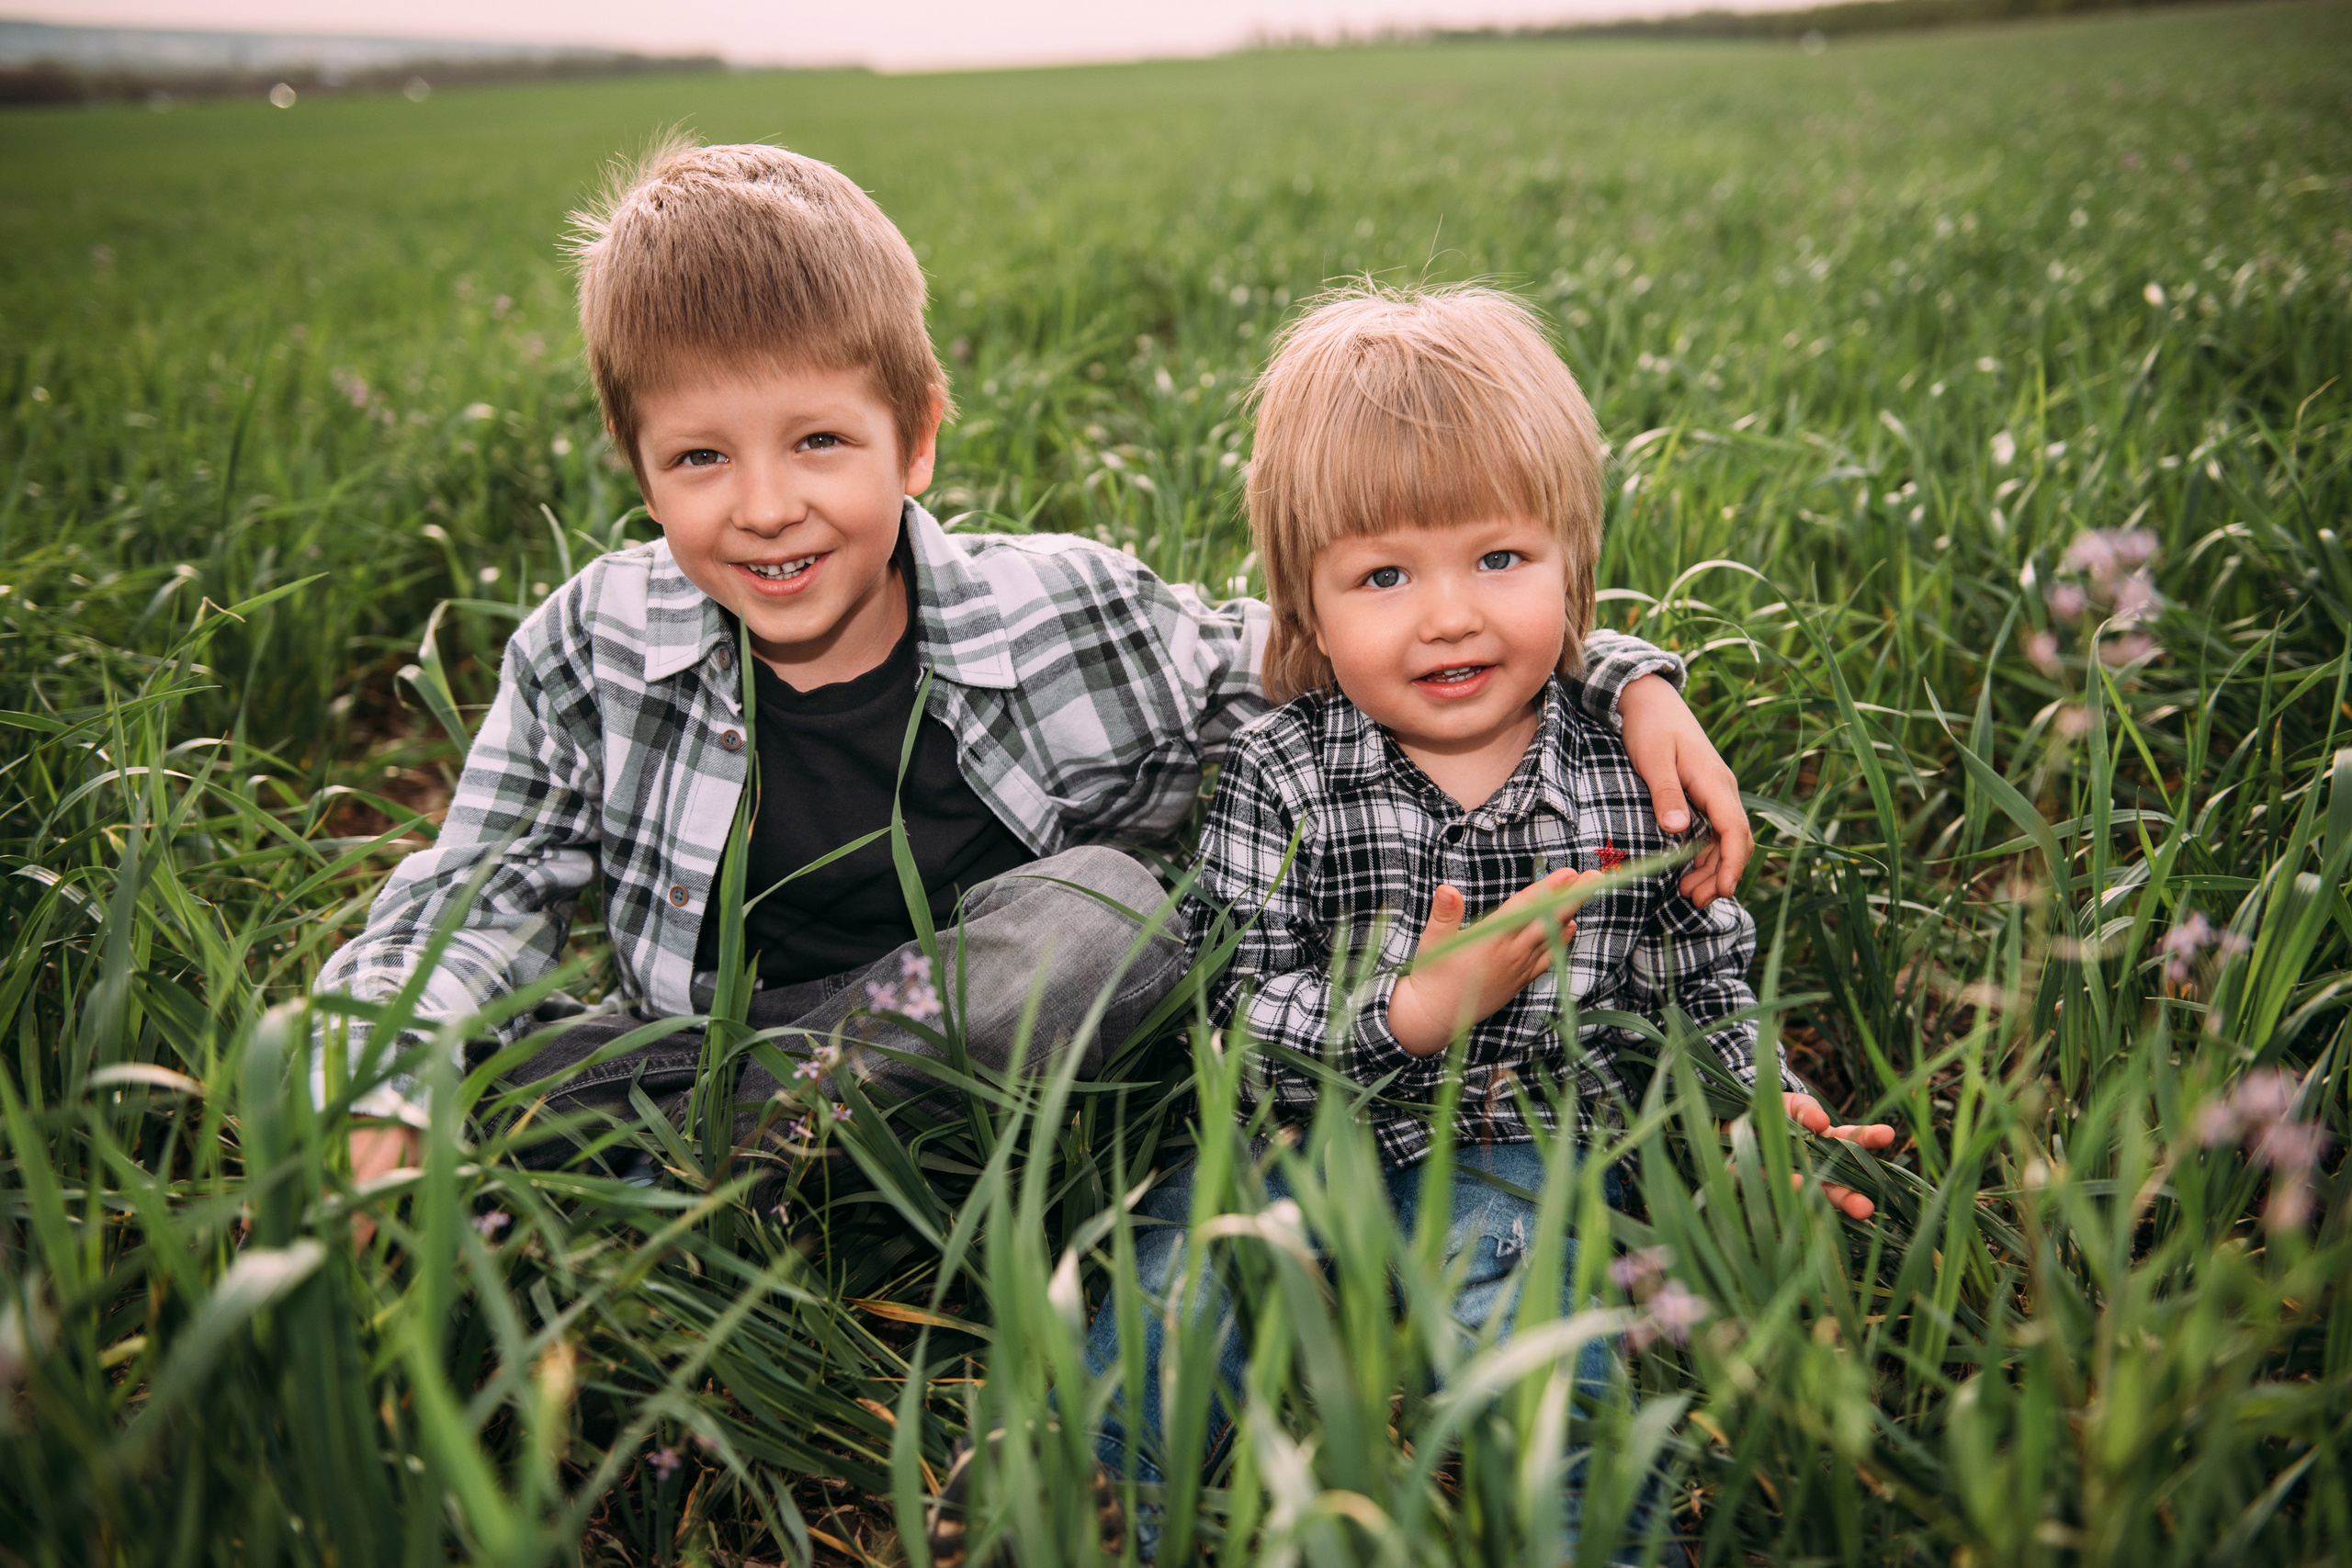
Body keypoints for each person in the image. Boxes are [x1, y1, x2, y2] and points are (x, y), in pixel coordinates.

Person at [321, 142, 1750, 1205]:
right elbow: (473, 884)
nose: (765, 507)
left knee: (1108, 920)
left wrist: (1620, 674)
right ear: (638, 469)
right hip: (702, 1045)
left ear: (916, 437)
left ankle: (650, 1143)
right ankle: (741, 1141)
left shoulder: (1061, 610)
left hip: (976, 1022)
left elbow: (1343, 644)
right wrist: (379, 1072)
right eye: (701, 458)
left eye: (818, 442)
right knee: (358, 1041)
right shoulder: (589, 649)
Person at [1080, 283, 1895, 1539]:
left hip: (1521, 1151)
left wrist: (1753, 1103)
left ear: (1572, 560)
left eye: (1500, 558)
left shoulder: (1628, 769)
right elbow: (1233, 1000)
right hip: (1285, 1145)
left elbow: (1700, 976)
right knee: (1164, 1317)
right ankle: (1086, 1518)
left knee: (1546, 1386)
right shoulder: (1277, 772)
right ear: (1306, 603)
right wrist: (1406, 1013)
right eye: (1385, 574)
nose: (1450, 613)